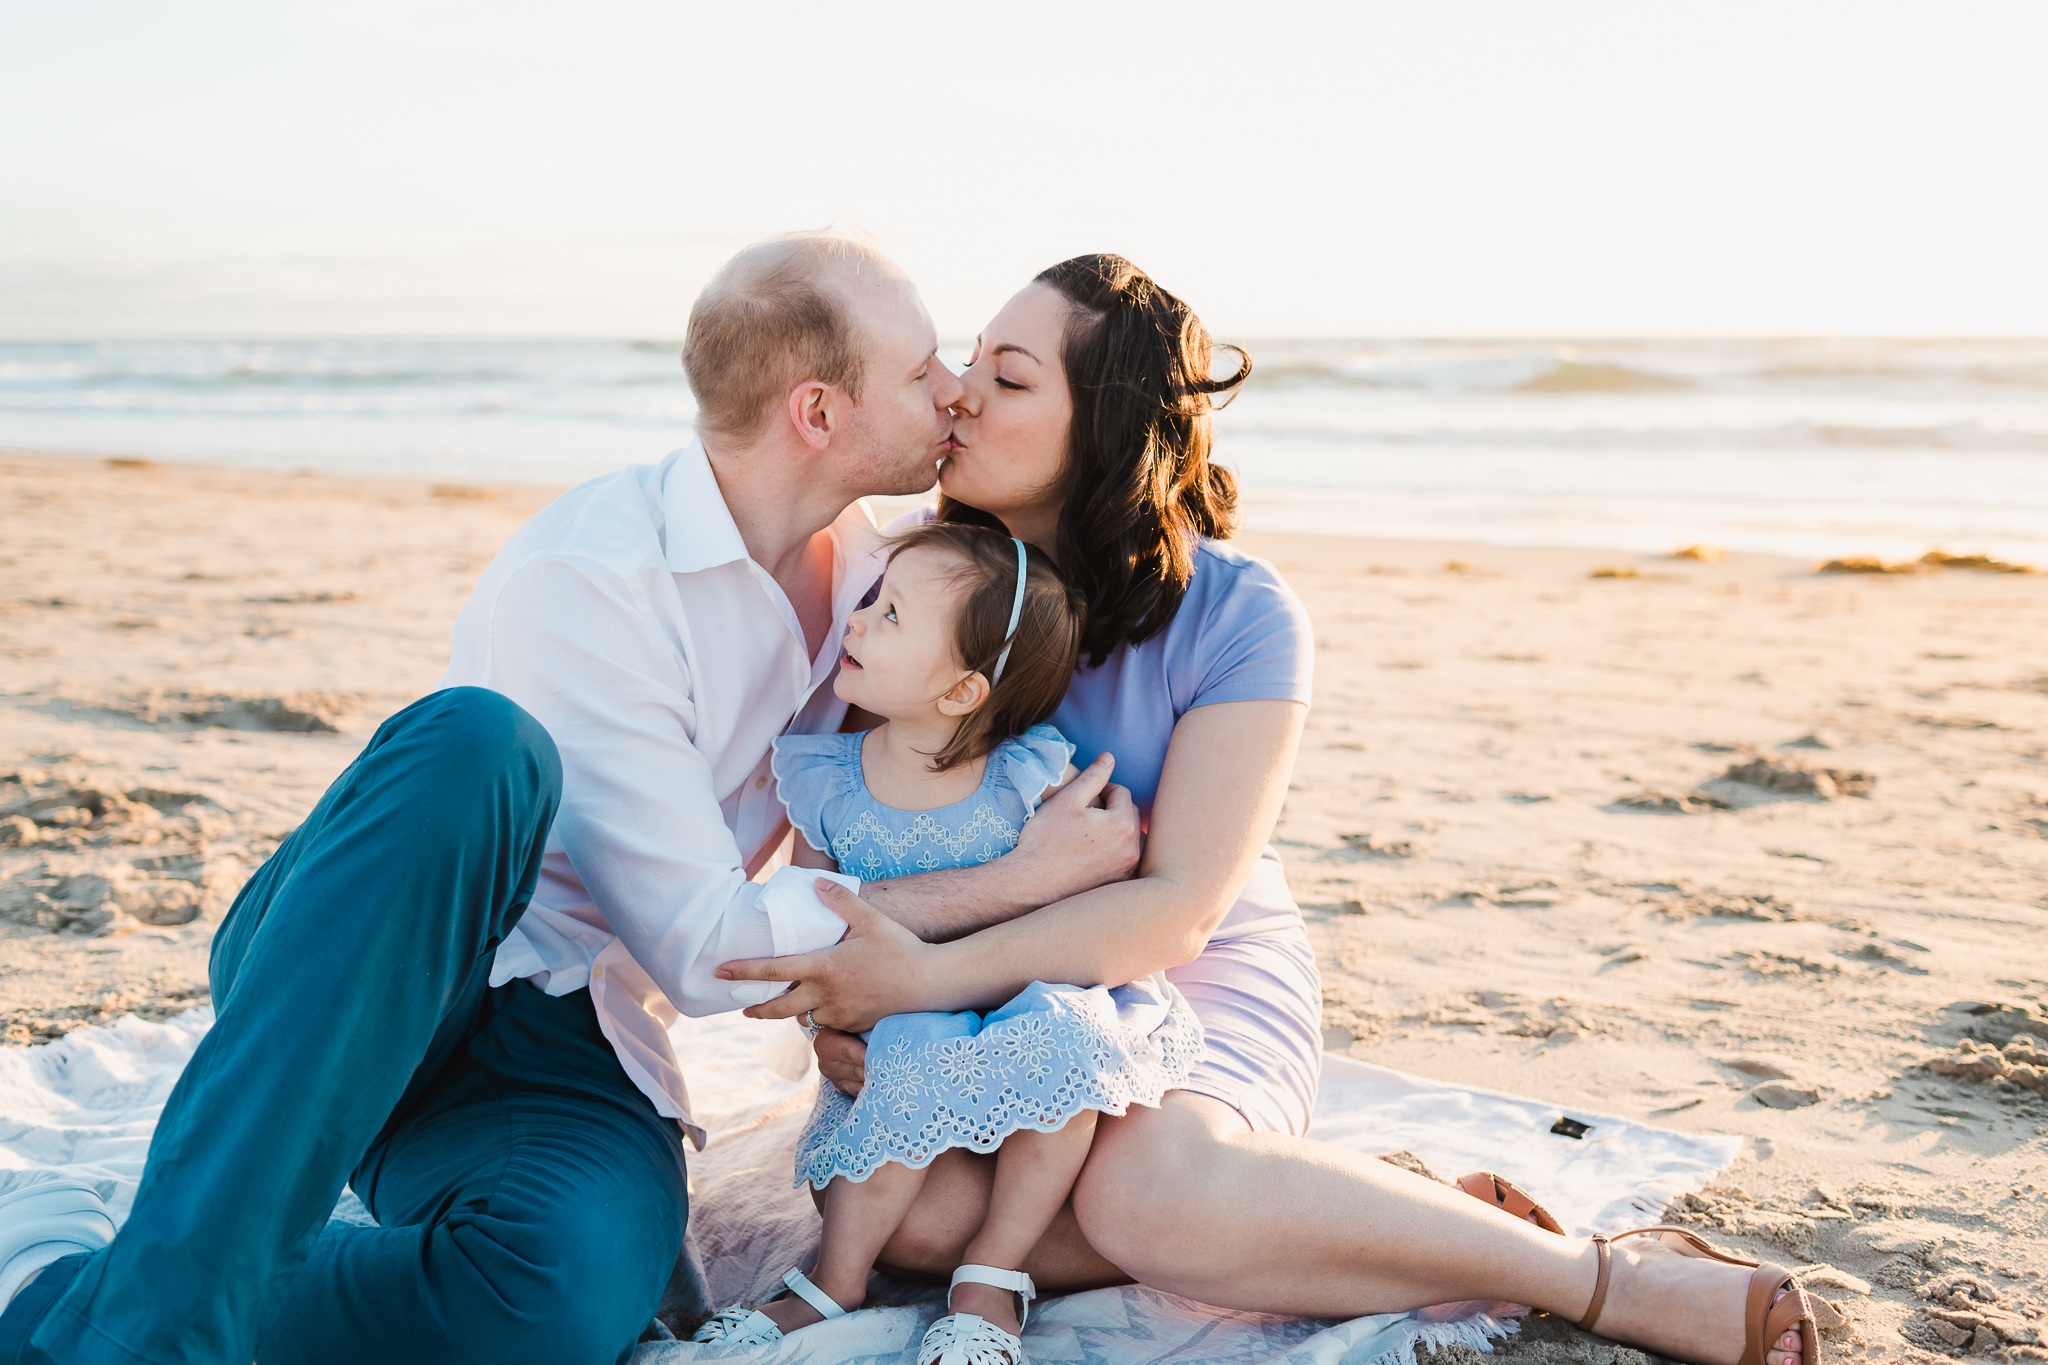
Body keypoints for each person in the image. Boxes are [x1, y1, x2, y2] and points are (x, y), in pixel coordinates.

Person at [0, 233, 1143, 1365]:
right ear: (816, 413)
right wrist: (1015, 884)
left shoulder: (877, 592)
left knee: (557, 1296)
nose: (951, 391)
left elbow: (909, 788)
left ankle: (87, 1280)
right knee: (478, 746)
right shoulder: (591, 578)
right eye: (922, 368)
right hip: (384, 956)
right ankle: (135, 1330)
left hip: (578, 1027)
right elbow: (707, 954)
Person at [718, 254, 1821, 1365]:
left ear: (1102, 424)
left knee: (1146, 1198)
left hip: (1184, 979)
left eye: (1007, 380)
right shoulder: (902, 577)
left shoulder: (1238, 613)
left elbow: (1180, 911)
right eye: (967, 364)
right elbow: (850, 850)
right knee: (909, 1221)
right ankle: (1358, 1209)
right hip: (968, 1001)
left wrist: (911, 972)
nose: (957, 394)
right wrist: (856, 1006)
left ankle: (1601, 1279)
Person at [692, 524, 1202, 1365]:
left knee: (1073, 1030)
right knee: (908, 1042)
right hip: (898, 1020)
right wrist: (825, 1033)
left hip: (1008, 1000)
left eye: (889, 615)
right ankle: (836, 1278)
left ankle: (995, 1271)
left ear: (964, 691)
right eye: (870, 600)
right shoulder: (825, 775)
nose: (854, 622)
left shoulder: (1026, 775)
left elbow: (1081, 907)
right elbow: (813, 920)